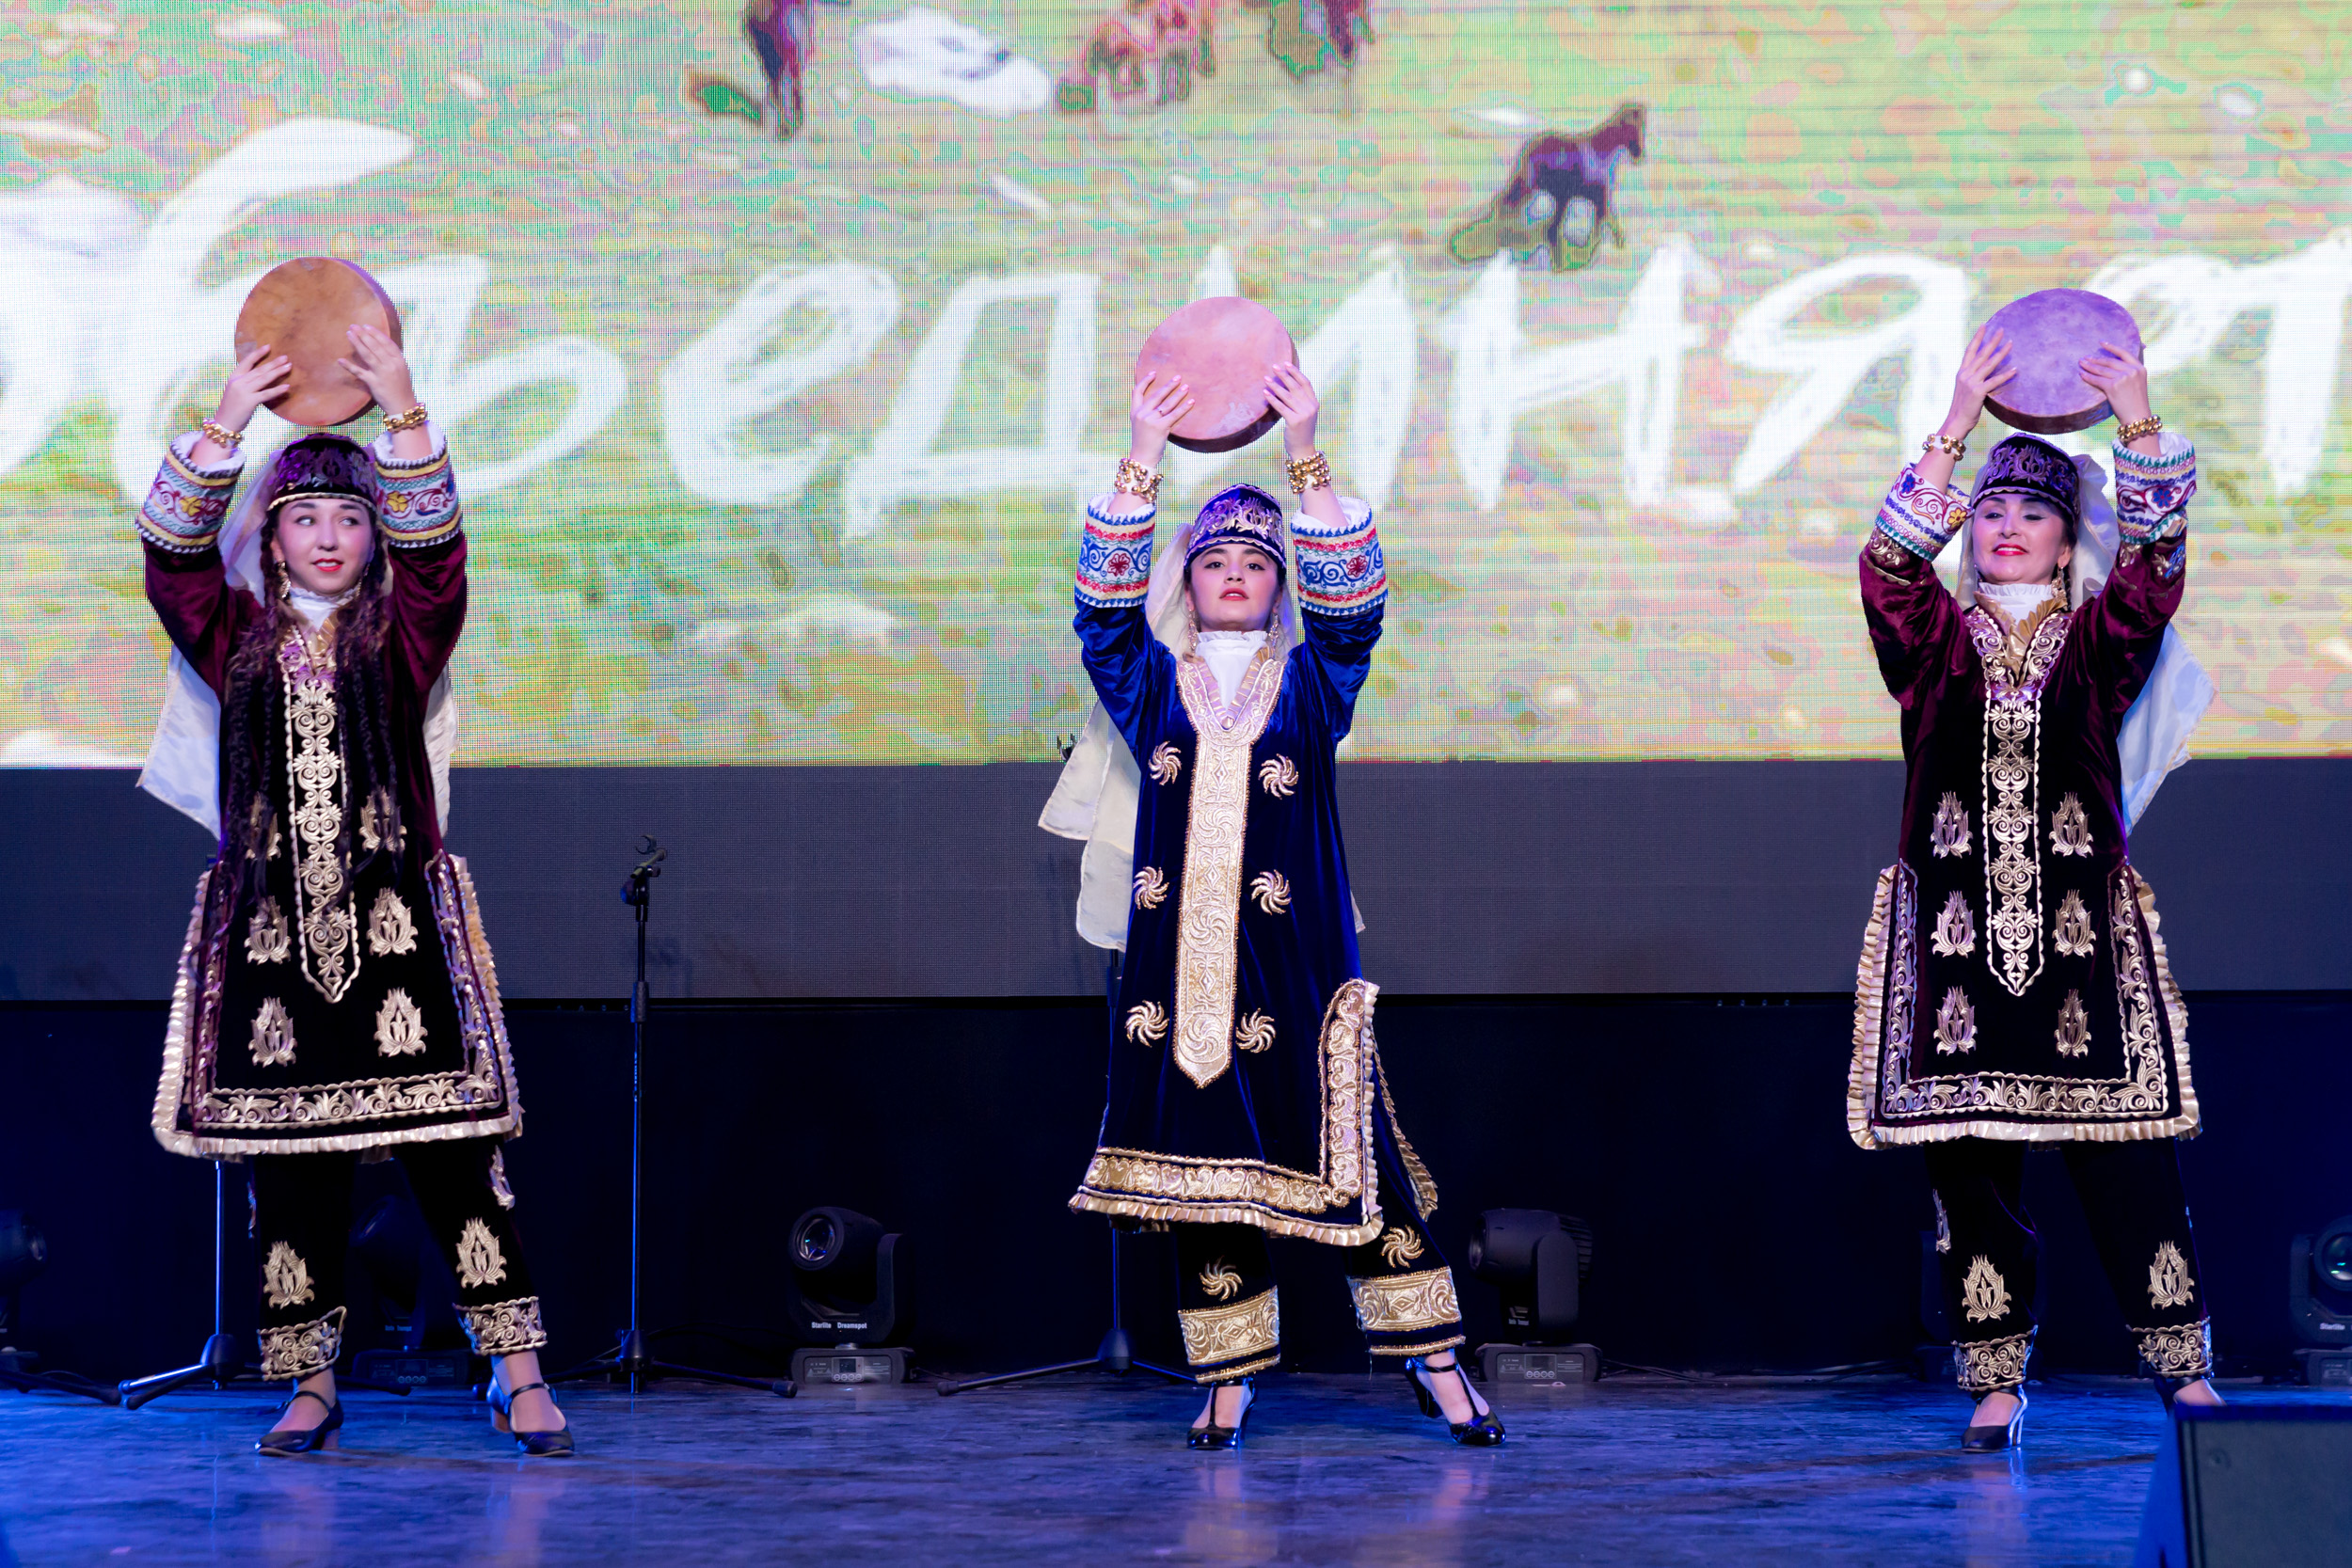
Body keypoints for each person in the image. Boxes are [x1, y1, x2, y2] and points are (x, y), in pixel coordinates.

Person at [1044, 362, 1501, 1449]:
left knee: (1358, 1171)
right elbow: (1100, 616)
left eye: (1258, 562)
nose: (1238, 576)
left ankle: (1435, 1359)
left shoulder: (1309, 682)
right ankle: (1228, 1376)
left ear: (1280, 585)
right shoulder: (1150, 682)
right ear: (1189, 580)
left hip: (1296, 976)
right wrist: (1142, 455)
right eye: (1217, 561)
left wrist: (1305, 451)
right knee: (1204, 1186)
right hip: (1178, 987)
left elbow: (1355, 613)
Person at [138, 331, 570, 1457]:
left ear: (375, 537)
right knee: (292, 1172)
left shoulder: (400, 637)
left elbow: (441, 565)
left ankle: (518, 1371)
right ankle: (311, 1385)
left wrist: (405, 410)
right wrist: (226, 423)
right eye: (306, 519)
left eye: (349, 519)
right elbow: (172, 560)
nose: (329, 537)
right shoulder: (236, 637)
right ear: (271, 537)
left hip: (398, 935)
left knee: (454, 1157)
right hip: (272, 941)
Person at [1848, 324, 2220, 1450]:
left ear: (2066, 543)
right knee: (1969, 1170)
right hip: (1958, 947)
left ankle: (2182, 1369)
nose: (2005, 526)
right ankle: (1995, 1378)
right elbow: (1886, 568)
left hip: (2077, 945)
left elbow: (2155, 571)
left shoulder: (2099, 642)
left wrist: (2136, 416)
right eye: (1990, 511)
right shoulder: (1930, 642)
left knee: (2128, 1161)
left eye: (2032, 514)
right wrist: (1954, 425)